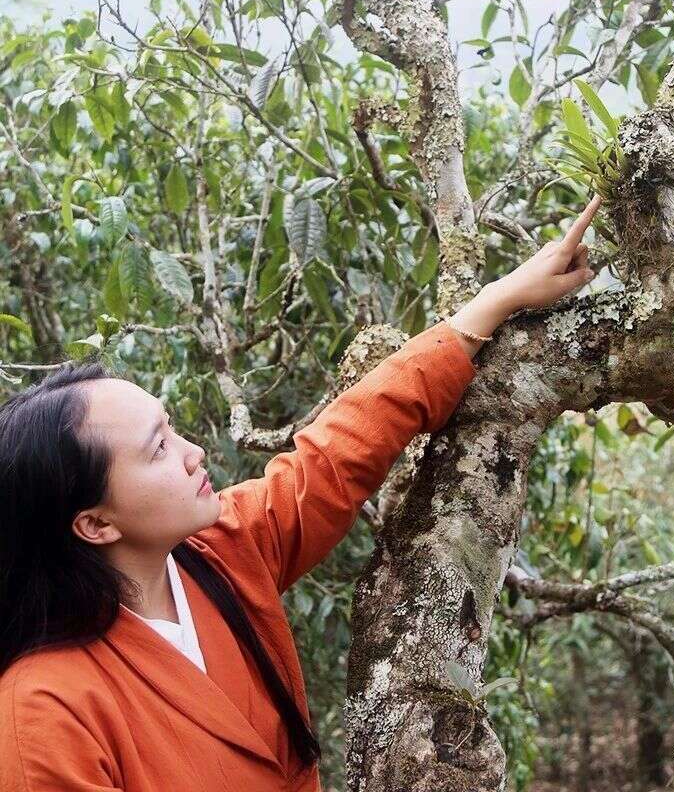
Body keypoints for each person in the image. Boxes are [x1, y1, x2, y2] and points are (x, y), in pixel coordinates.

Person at [0, 195, 602, 791]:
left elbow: (338, 453)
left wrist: (496, 301)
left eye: (173, 428)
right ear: (95, 524)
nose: (194, 453)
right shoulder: (43, 713)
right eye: (159, 448)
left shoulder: (221, 554)